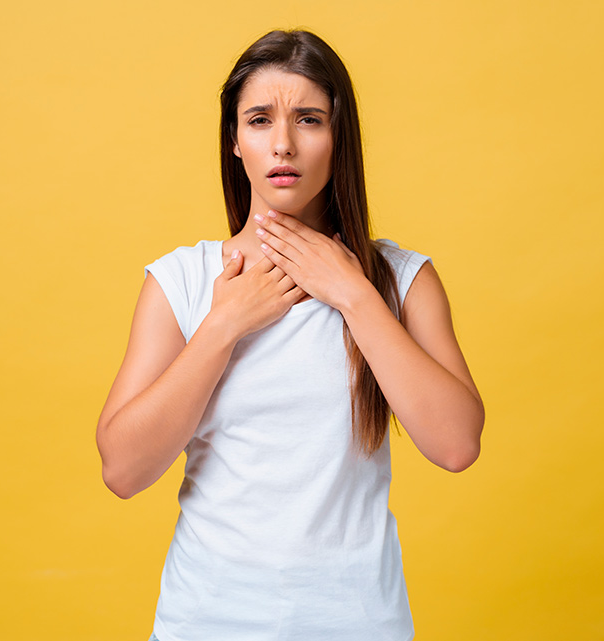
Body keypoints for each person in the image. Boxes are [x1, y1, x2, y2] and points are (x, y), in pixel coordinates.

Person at [96, 29, 484, 641]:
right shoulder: (185, 281)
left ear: (339, 138)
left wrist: (354, 294)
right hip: (206, 623)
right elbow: (122, 469)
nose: (283, 144)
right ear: (234, 141)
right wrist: (224, 323)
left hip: (359, 625)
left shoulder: (401, 282)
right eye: (259, 120)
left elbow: (457, 445)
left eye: (309, 119)